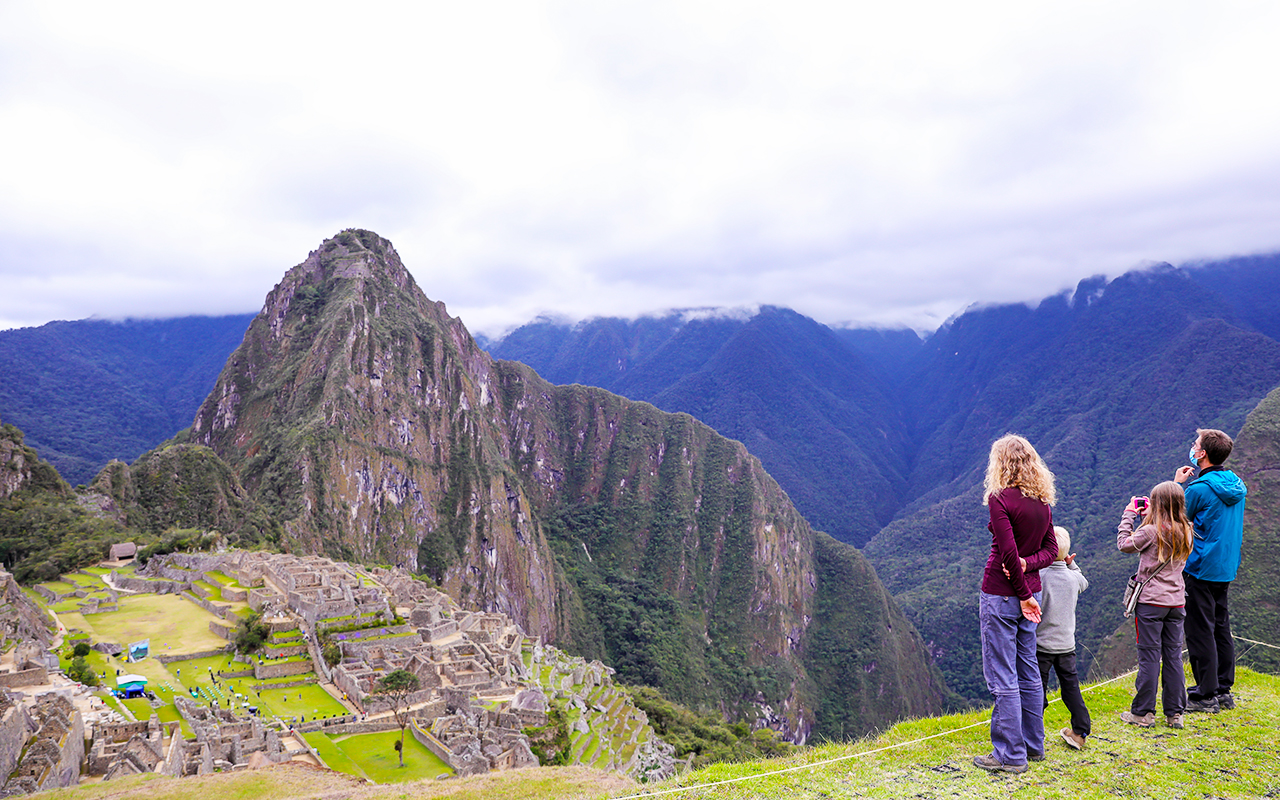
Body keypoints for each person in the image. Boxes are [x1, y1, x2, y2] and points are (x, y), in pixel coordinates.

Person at [973, 434, 1059, 774]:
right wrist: (1028, 570)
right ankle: (1033, 745)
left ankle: (1010, 754)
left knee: (1002, 675)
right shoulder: (1042, 503)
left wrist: (1021, 591)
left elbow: (1008, 554)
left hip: (1003, 595)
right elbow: (1052, 551)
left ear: (1000, 463)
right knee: (1029, 672)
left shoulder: (1000, 499)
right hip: (1031, 595)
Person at [1174, 428, 1246, 713]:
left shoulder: (1199, 490)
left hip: (1201, 567)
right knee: (1220, 625)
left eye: (1195, 445)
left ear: (1202, 454)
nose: (1192, 448)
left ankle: (1205, 695)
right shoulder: (1236, 484)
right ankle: (1222, 688)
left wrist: (1177, 485)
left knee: (1200, 630)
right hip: (1226, 565)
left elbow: (1174, 521)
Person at [1117, 481, 1194, 728]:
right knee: (1172, 657)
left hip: (1151, 604)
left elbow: (1124, 545)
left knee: (1149, 656)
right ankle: (1175, 714)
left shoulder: (1151, 532)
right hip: (1177, 603)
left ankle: (1143, 713)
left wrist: (1129, 514)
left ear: (1156, 504)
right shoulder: (1187, 529)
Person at [1035, 526, 1091, 750]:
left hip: (1041, 646)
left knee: (1036, 689)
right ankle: (1080, 731)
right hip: (1067, 645)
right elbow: (1082, 580)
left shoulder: (1040, 577)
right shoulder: (1072, 578)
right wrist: (1070, 563)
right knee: (1071, 689)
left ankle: (1033, 733)